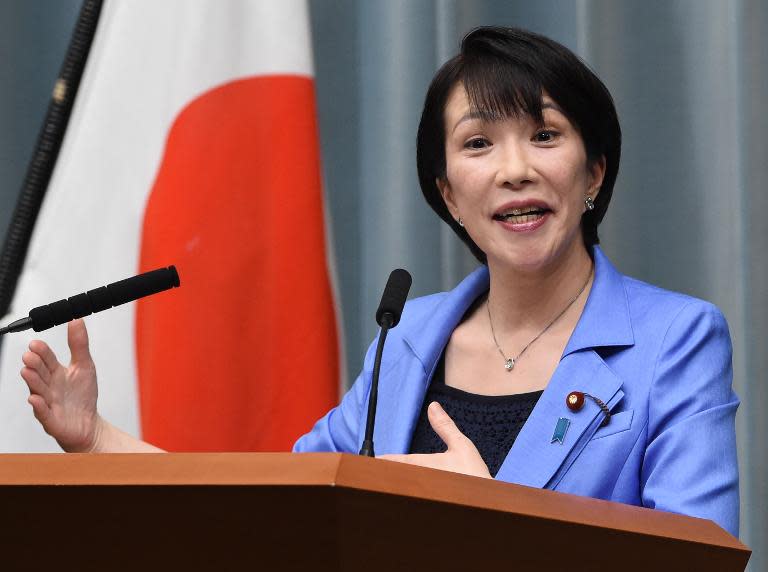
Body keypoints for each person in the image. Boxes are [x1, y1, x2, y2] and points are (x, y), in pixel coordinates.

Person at [19, 27, 739, 536]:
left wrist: (495, 522)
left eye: (545, 136)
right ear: (450, 194)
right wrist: (97, 439)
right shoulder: (409, 339)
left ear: (595, 171)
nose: (515, 169)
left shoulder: (674, 340)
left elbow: (695, 555)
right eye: (479, 143)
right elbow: (277, 503)